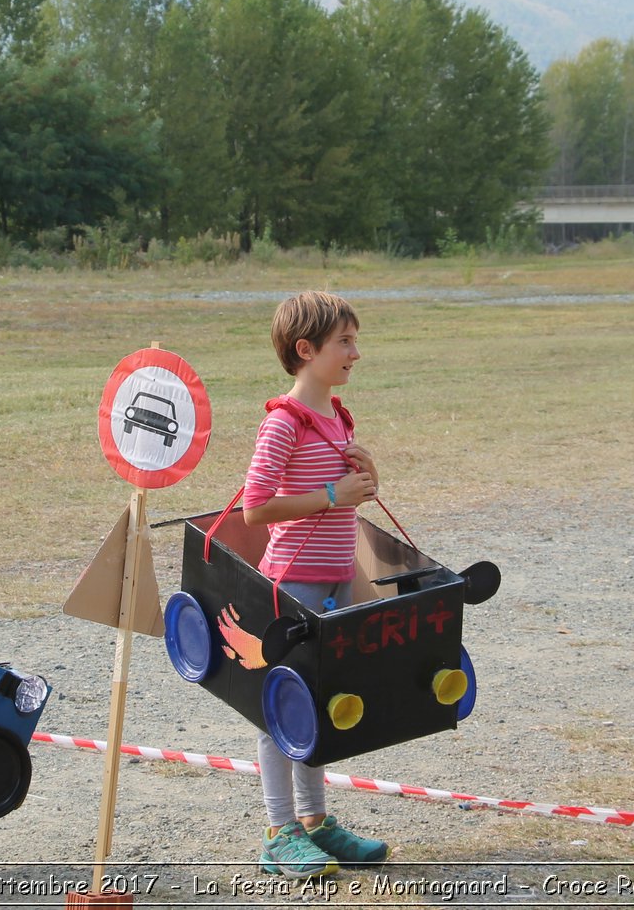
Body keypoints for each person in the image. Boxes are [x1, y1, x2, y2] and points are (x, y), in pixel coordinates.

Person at [240, 291, 390, 878]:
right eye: (344, 342)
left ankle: (316, 822)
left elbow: (349, 500)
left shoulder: (338, 417)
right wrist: (331, 495)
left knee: (323, 705)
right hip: (293, 588)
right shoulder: (283, 421)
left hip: (335, 582)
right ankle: (279, 833)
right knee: (279, 712)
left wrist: (365, 472)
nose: (357, 352)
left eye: (356, 340)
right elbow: (255, 508)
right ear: (306, 350)